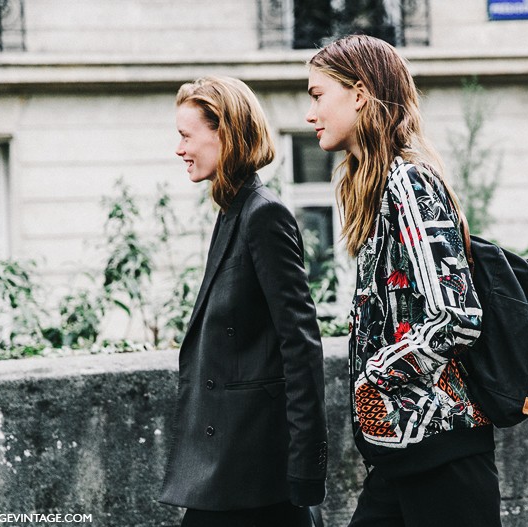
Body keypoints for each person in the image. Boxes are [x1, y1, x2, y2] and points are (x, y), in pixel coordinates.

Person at [305, 35, 501, 526]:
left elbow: (457, 318)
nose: (310, 113)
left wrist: (377, 374)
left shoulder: (408, 182)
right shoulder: (379, 187)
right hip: (405, 457)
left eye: (317, 95)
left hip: (441, 456)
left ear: (359, 94)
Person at [159, 76, 328, 527]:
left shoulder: (263, 214)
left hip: (255, 474)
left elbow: (301, 345)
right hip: (230, 470)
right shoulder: (234, 211)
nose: (179, 149)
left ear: (225, 135)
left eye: (185, 135)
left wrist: (305, 470)